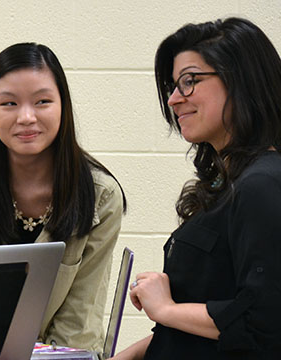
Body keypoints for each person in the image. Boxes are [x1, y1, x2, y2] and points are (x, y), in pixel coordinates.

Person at [0, 42, 125, 351]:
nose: (27, 117)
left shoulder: (100, 195)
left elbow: (80, 317)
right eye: (9, 104)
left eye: (43, 101)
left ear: (63, 106)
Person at [113, 17, 281, 360]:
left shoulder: (262, 185)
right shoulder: (230, 183)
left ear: (241, 81)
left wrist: (166, 309)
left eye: (190, 81)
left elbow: (264, 322)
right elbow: (191, 332)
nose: (174, 100)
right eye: (174, 85)